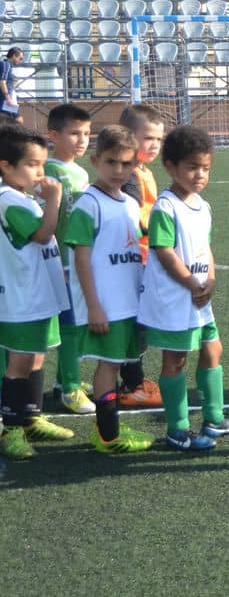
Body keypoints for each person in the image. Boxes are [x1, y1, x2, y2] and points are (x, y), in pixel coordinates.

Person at [138, 125, 229, 451]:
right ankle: (177, 429)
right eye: (192, 167)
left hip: (199, 295)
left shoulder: (203, 206)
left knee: (213, 349)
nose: (199, 175)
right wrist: (189, 281)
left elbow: (205, 249)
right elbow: (164, 251)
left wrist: (209, 278)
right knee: (176, 360)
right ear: (170, 167)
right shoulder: (165, 207)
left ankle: (214, 419)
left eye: (205, 168)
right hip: (174, 299)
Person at [64, 125, 155, 454]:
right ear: (95, 160)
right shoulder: (89, 205)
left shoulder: (130, 204)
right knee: (108, 365)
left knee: (116, 364)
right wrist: (94, 306)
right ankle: (108, 435)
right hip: (107, 305)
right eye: (112, 162)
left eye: (127, 164)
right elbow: (82, 260)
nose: (119, 170)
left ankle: (108, 427)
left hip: (129, 302)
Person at [0, 122, 75, 460]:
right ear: (6, 166)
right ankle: (11, 429)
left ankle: (31, 417)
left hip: (41, 294)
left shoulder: (24, 198)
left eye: (42, 165)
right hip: (22, 298)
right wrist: (54, 200)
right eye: (32, 164)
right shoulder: (7, 200)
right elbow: (44, 234)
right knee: (19, 362)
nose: (40, 172)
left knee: (38, 354)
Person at [44, 103, 95, 414]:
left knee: (76, 324)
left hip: (77, 260)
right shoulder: (50, 171)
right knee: (70, 326)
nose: (82, 139)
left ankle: (66, 380)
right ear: (53, 135)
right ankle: (70, 390)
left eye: (87, 133)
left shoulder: (80, 171)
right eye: (74, 133)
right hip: (60, 261)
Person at [117, 103, 165, 408]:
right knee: (138, 324)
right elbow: (134, 216)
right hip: (137, 260)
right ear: (128, 136)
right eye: (148, 137)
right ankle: (132, 383)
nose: (154, 145)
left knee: (141, 324)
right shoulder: (131, 174)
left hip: (145, 258)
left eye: (158, 139)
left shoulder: (143, 171)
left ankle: (133, 379)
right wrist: (165, 229)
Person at [0, 48, 24, 123]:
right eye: (20, 58)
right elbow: (2, 82)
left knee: (8, 123)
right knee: (18, 121)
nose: (20, 60)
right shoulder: (6, 65)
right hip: (4, 101)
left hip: (4, 100)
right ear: (14, 56)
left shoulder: (6, 65)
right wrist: (8, 98)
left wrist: (13, 81)